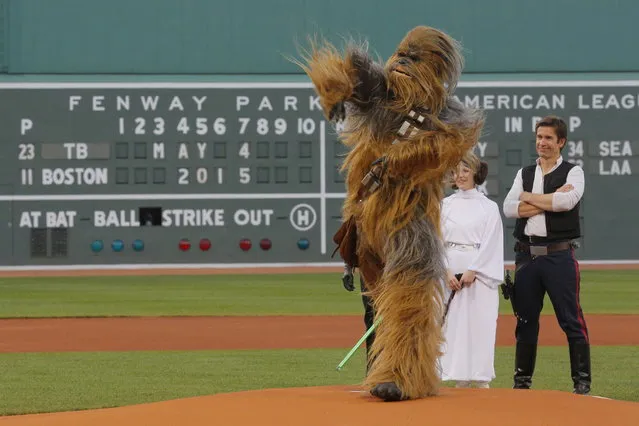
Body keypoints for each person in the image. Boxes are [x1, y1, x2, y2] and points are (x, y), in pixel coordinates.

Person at [502, 115, 591, 395]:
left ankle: (582, 380)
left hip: (558, 256)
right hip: (527, 257)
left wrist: (527, 197)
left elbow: (565, 202)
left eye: (549, 138)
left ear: (561, 142)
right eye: (539, 137)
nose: (542, 142)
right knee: (525, 320)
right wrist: (548, 201)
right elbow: (508, 208)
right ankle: (522, 381)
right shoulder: (525, 172)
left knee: (570, 319)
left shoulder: (574, 172)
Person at [439, 152, 504, 389]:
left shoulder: (488, 207)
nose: (460, 175)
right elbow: (437, 241)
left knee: (480, 324)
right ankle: (459, 375)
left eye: (465, 170)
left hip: (478, 277)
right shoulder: (444, 205)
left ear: (476, 173)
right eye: (456, 171)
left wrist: (474, 270)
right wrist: (446, 272)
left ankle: (480, 376)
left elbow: (492, 242)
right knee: (453, 325)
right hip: (449, 273)